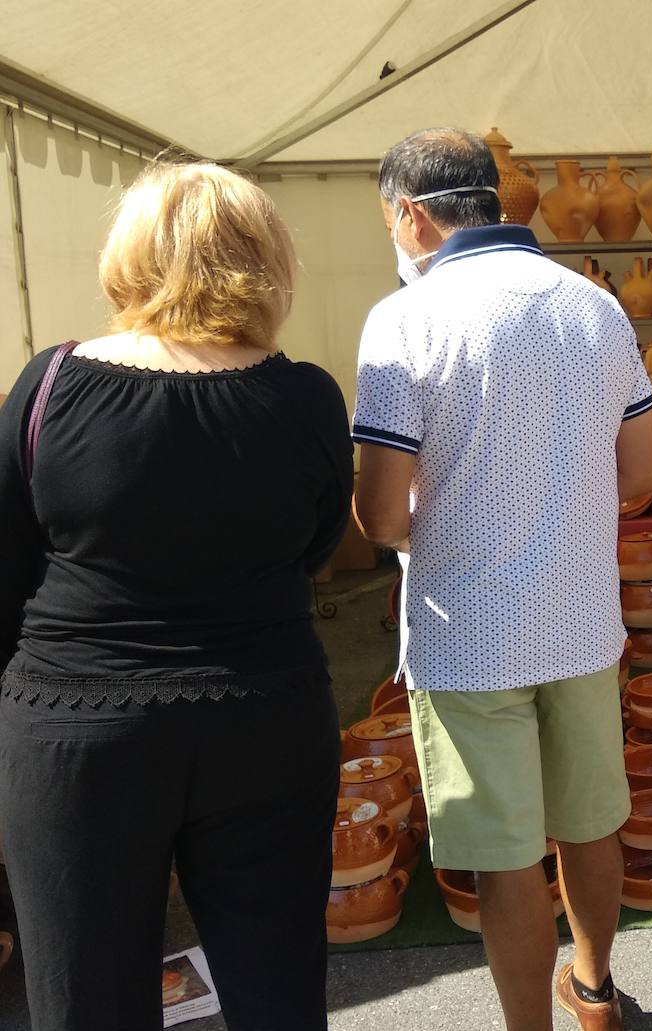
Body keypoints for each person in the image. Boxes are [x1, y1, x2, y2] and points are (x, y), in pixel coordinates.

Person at [0, 162, 353, 1029]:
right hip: (265, 716)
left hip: (76, 731)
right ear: (264, 261)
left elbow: (8, 561)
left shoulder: (50, 382)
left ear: (131, 257)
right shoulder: (304, 395)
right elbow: (316, 549)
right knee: (276, 991)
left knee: (85, 997)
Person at [352, 127, 652, 1031]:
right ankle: (596, 993)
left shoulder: (403, 318)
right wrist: (560, 518)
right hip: (579, 618)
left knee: (504, 858)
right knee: (591, 822)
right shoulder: (596, 306)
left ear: (409, 214)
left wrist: (447, 531)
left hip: (468, 631)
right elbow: (643, 473)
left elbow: (379, 514)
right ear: (490, 199)